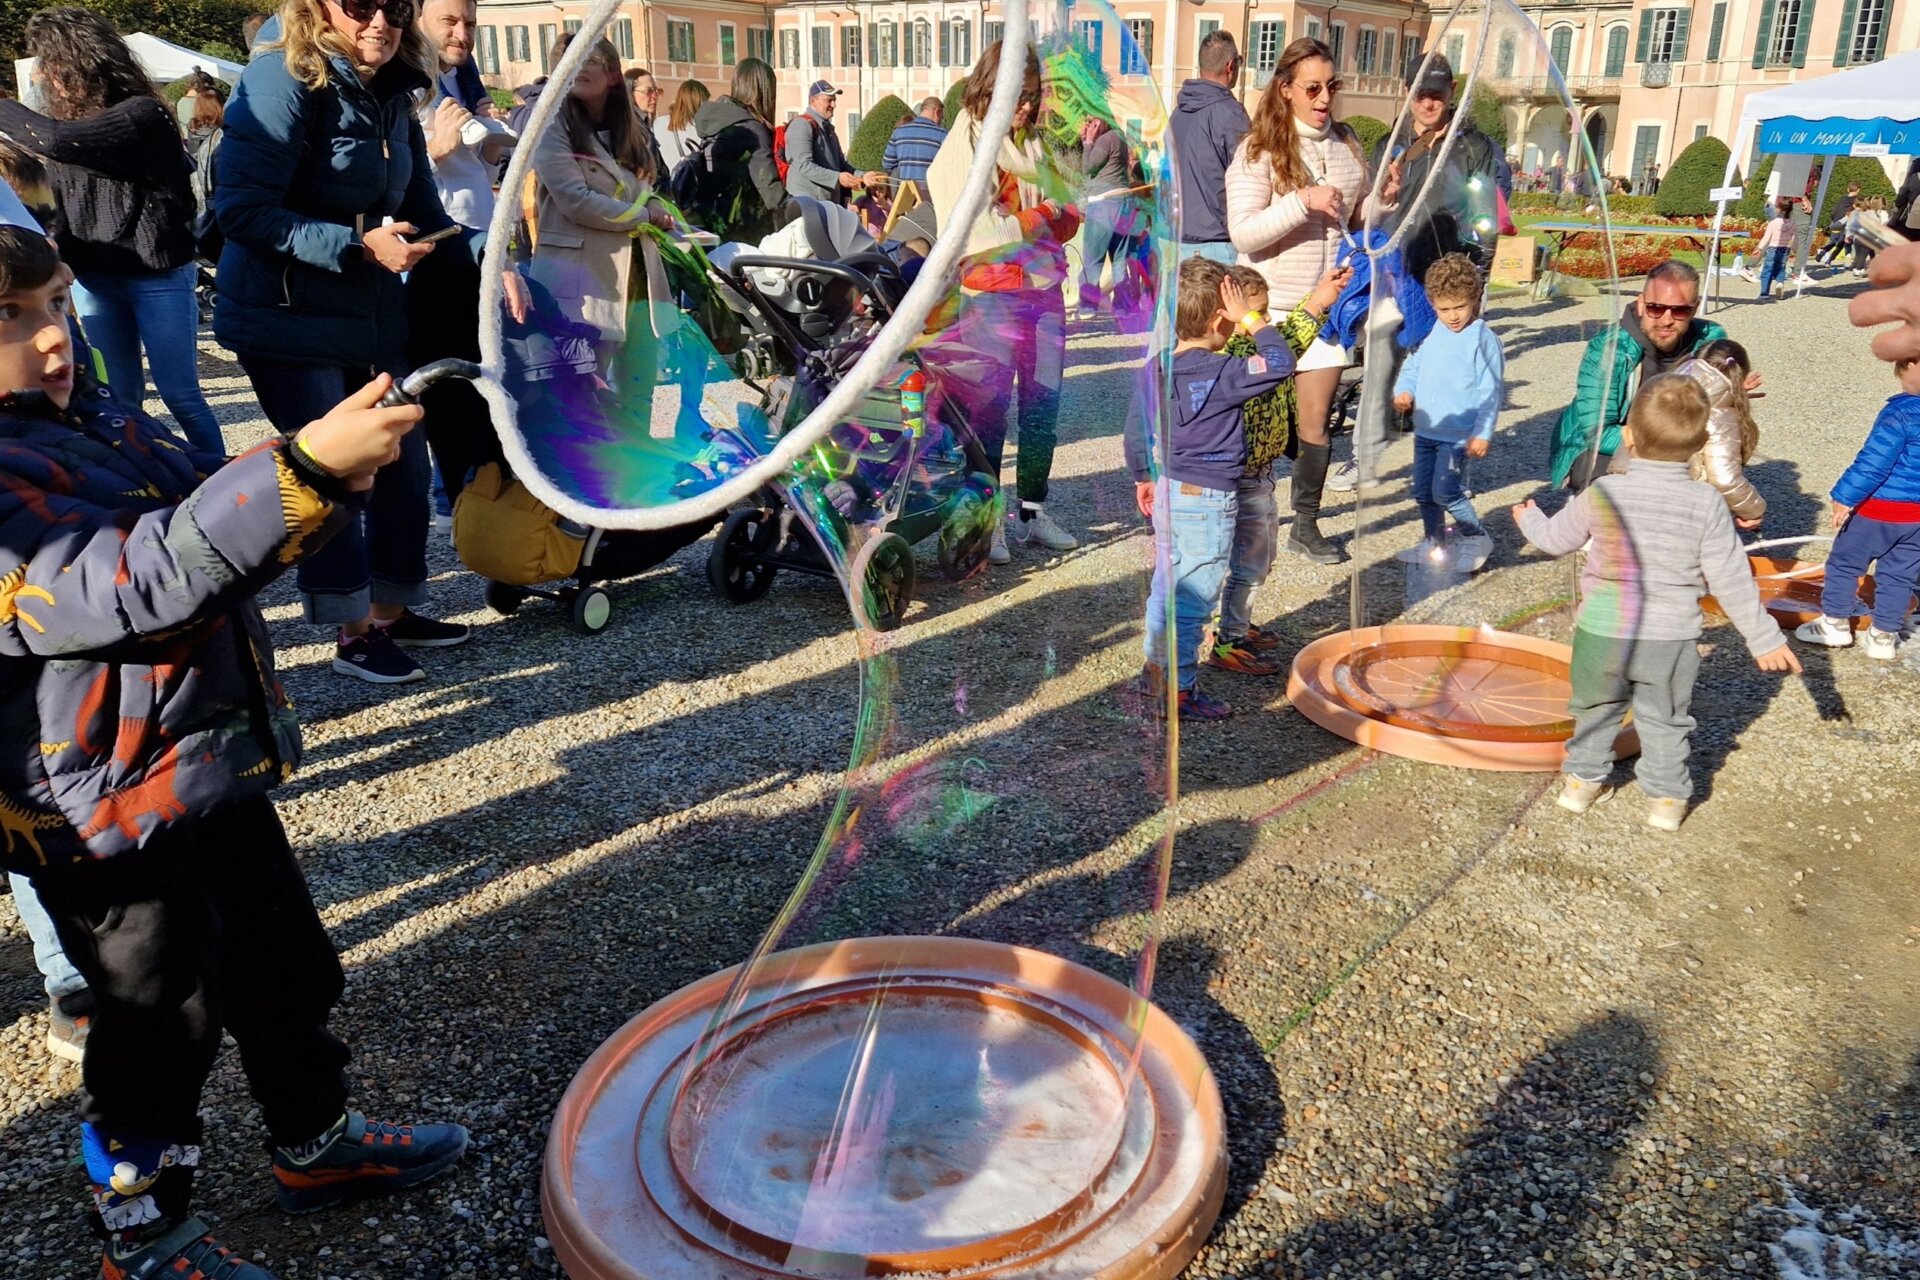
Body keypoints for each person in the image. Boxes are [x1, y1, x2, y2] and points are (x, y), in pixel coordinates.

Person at [0, 223, 472, 1280]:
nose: (48, 339)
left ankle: (312, 1137)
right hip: (97, 807)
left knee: (283, 957)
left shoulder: (103, 414)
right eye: (9, 318)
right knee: (155, 1017)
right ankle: (145, 1230)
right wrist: (299, 468)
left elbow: (213, 532)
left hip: (199, 759)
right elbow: (124, 580)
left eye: (53, 303)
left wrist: (320, 474)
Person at [217, 0, 478, 685]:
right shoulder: (282, 78)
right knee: (335, 475)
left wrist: (495, 257)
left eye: (396, 7)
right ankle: (350, 629)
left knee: (404, 464)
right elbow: (240, 210)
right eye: (360, 4)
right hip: (286, 316)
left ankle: (391, 612)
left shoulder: (391, 89)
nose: (379, 22)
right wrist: (355, 247)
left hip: (369, 316)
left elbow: (424, 211)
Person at [1514, 374, 1802, 833]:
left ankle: (1582, 784)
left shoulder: (1604, 492)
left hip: (1601, 633)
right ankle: (1667, 801)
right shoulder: (1706, 502)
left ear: (1628, 437)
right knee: (1665, 720)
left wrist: (1530, 518)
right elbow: (1731, 575)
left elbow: (1554, 540)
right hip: (1669, 639)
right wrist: (1763, 637)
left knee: (1595, 708)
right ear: (1700, 444)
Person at [0, 8, 227, 459]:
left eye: (52, 64)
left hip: (158, 274)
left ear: (83, 64)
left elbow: (60, 141)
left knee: (181, 395)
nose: (46, 76)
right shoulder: (61, 123)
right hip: (94, 277)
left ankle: (217, 474)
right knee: (118, 398)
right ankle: (138, 480)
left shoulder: (143, 114)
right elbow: (61, 196)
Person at [1225, 37, 1397, 565]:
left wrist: (1381, 204)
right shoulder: (1258, 151)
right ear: (1287, 90)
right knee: (1253, 418)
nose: (1325, 99)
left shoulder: (1346, 146)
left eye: (1331, 87)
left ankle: (1306, 522)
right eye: (1314, 88)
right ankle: (1236, 512)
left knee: (1316, 420)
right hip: (1268, 310)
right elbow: (1244, 234)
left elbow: (1355, 222)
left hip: (1327, 308)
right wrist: (1301, 201)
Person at [925, 38, 1082, 560]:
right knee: (989, 413)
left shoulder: (1031, 142)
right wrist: (1043, 218)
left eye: (1033, 95)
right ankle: (987, 521)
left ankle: (1033, 511)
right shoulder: (963, 145)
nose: (1028, 106)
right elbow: (974, 233)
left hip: (1042, 294)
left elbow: (1062, 210)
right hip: (990, 298)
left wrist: (1063, 215)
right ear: (989, 89)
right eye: (1019, 95)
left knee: (1043, 408)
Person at [1125, 258, 1295, 720]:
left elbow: (1136, 426)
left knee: (1165, 587)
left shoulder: (1156, 367)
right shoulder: (1224, 372)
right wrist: (1254, 320)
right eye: (1234, 318)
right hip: (1207, 500)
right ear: (1222, 318)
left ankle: (1155, 673)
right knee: (1194, 600)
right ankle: (1177, 694)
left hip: (1168, 491)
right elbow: (1281, 362)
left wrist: (1143, 475)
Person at [1210, 262, 1349, 675]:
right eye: (1256, 313)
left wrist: (1320, 297)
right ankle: (1227, 640)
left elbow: (1288, 339)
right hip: (1239, 480)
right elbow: (1285, 345)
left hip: (1262, 475)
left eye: (1267, 311)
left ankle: (1236, 623)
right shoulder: (1233, 356)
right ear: (1226, 318)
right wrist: (1314, 304)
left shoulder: (1258, 347)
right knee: (1248, 563)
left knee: (1261, 557)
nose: (1267, 320)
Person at [412, 0, 515, 514]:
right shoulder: (404, 86)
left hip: (477, 252)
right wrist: (435, 147)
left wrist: (486, 148)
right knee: (452, 393)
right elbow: (384, 180)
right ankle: (461, 504)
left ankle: (489, 501)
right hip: (437, 262)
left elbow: (466, 175)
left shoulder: (451, 82)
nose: (462, 33)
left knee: (486, 385)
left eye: (469, 23)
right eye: (449, 22)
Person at [526, 34, 672, 378]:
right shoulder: (547, 123)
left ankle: (656, 434)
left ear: (611, 74)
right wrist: (644, 215)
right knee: (589, 397)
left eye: (587, 60)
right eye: (567, 62)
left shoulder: (630, 128)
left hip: (641, 285)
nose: (576, 68)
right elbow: (575, 200)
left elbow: (646, 186)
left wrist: (656, 207)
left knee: (648, 390)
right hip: (583, 289)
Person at [1548, 261, 1740, 492]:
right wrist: (1664, 454)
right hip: (1607, 445)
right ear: (1641, 303)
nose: (1666, 319)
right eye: (1655, 308)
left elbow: (1712, 416)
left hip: (1677, 444)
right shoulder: (1609, 349)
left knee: (1722, 463)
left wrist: (1733, 393)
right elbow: (1596, 432)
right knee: (1621, 490)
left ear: (1695, 308)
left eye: (1680, 310)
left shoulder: (1710, 343)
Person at [1793, 356, 1920, 660]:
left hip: (1878, 509)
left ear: (1914, 365)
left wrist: (1844, 497)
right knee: (1900, 575)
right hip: (1916, 517)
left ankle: (1834, 623)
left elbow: (1874, 463)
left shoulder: (1900, 414)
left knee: (1845, 564)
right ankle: (1883, 636)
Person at [1392, 253, 1504, 570]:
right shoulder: (1435, 332)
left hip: (1457, 434)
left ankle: (1476, 537)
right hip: (1427, 430)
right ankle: (1434, 542)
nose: (1453, 316)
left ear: (1475, 300)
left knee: (1446, 492)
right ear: (1433, 304)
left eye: (1460, 307)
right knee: (1424, 493)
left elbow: (1491, 390)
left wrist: (1482, 432)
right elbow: (1413, 366)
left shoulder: (1482, 339)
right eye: (1444, 309)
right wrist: (1403, 390)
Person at [1378, 52, 1504, 283]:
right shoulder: (1388, 147)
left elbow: (1484, 218)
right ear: (1406, 92)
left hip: (1451, 277)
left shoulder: (1473, 146)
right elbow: (1373, 217)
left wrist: (1478, 278)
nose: (1428, 104)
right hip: (1396, 273)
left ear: (1452, 89)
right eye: (1420, 95)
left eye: (1436, 94)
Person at [689, 58, 791, 244]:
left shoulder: (718, 123)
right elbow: (770, 188)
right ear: (765, 92)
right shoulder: (752, 129)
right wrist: (798, 210)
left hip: (713, 220)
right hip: (746, 228)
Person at [1168, 30, 1248, 265]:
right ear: (1231, 66)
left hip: (1174, 240)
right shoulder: (1231, 114)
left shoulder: (1176, 115)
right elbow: (1250, 178)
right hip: (1216, 244)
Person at [1679, 338, 1766, 530]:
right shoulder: (1720, 417)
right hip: (1684, 511)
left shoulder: (1658, 392)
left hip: (1638, 500)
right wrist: (1754, 510)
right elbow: (1724, 479)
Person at [1074, 117, 1138, 320]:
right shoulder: (1119, 137)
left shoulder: (1104, 140)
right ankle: (1123, 305)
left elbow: (1087, 168)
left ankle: (1087, 306)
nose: (1090, 126)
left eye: (1093, 122)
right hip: (1124, 202)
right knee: (1119, 258)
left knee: (1092, 258)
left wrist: (1088, 142)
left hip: (1103, 203)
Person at [785, 80, 881, 206]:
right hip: (806, 204)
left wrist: (863, 176)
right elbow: (803, 165)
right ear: (813, 100)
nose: (834, 105)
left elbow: (841, 165)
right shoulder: (801, 125)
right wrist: (837, 178)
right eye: (829, 100)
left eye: (834, 100)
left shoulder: (828, 129)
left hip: (825, 204)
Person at [882, 95, 946, 200]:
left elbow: (887, 163)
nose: (941, 121)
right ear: (937, 112)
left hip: (905, 194)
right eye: (941, 117)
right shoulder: (941, 134)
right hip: (930, 195)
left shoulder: (899, 132)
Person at [623, 67, 669, 181]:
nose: (654, 97)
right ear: (630, 93)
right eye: (648, 91)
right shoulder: (629, 126)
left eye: (656, 91)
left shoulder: (644, 121)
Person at [656, 79, 709, 171]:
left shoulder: (658, 123)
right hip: (690, 181)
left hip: (669, 181)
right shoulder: (699, 128)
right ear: (700, 102)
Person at [1756, 196, 1796, 300]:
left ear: (1778, 208)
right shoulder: (1793, 223)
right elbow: (1795, 238)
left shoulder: (1773, 223)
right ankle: (1779, 283)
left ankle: (1764, 293)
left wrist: (1759, 248)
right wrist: (1794, 250)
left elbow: (1766, 238)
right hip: (1785, 249)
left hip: (1772, 249)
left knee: (1767, 270)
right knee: (1780, 269)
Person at [1816, 182, 1862, 267]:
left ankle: (1823, 252)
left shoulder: (1842, 198)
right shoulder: (1857, 200)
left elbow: (1835, 209)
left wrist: (1833, 220)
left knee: (1833, 242)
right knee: (1841, 244)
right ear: (1858, 190)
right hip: (1846, 224)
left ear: (1848, 189)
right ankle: (1829, 260)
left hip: (1837, 222)